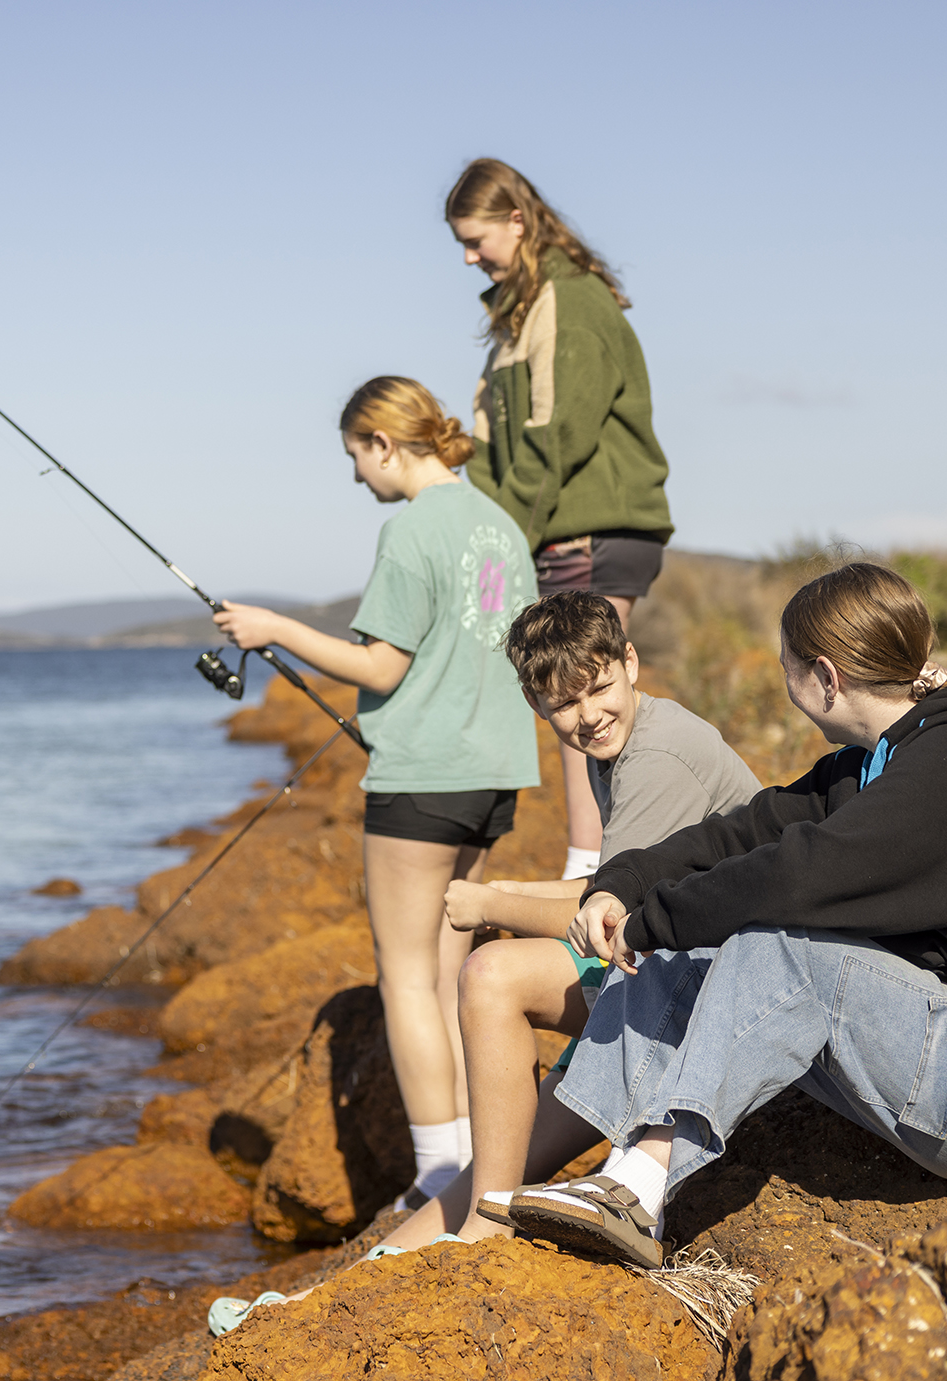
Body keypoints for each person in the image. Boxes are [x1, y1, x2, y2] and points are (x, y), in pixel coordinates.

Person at [500, 563, 947, 1268]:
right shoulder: (878, 759)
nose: (784, 685)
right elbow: (747, 830)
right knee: (683, 951)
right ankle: (616, 1169)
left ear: (823, 675)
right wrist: (619, 886)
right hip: (938, 1038)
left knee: (773, 942)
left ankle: (639, 1187)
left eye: (786, 667)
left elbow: (798, 873)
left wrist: (650, 919)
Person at [329, 592, 761, 1261]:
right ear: (537, 705)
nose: (587, 716)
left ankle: (488, 1226)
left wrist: (489, 906)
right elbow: (614, 884)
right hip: (666, 966)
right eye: (563, 704)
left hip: (714, 984)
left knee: (490, 975)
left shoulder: (657, 755)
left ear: (631, 661)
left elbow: (609, 916)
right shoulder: (618, 742)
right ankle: (342, 1286)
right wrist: (497, 890)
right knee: (504, 1156)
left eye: (598, 688)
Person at [213, 376, 538, 1209]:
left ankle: (439, 1172)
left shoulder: (411, 533)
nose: (358, 475)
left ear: (384, 443)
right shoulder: (499, 528)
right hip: (494, 771)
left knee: (406, 979)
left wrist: (273, 627)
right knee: (449, 973)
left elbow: (382, 666)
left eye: (357, 455)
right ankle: (478, 1157)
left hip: (423, 776)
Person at [446, 157, 674, 880]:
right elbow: (490, 449)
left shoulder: (571, 302)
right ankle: (599, 860)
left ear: (517, 220)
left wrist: (496, 535)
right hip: (552, 533)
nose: (467, 256)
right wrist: (470, 533)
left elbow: (555, 440)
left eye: (474, 238)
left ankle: (597, 869)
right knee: (572, 698)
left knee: (581, 697)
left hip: (597, 531)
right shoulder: (513, 318)